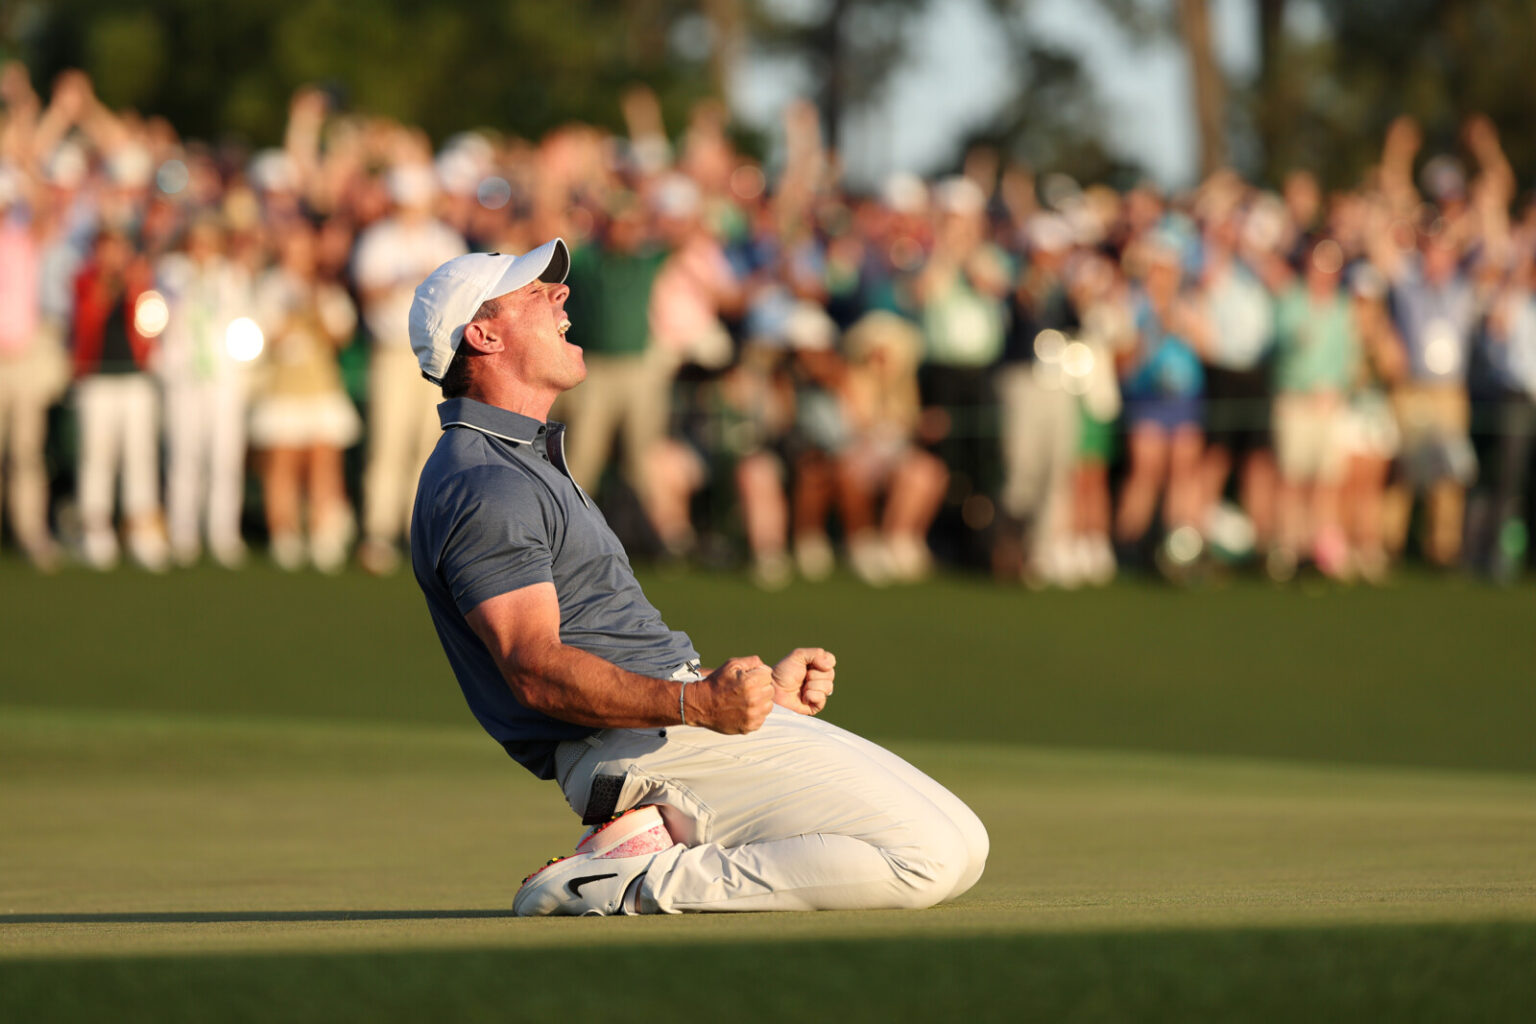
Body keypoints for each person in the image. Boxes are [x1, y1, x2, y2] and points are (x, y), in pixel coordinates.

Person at [407, 240, 987, 916]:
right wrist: (699, 707)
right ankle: (623, 883)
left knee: (966, 843)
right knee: (927, 858)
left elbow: (607, 639)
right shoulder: (485, 480)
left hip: (666, 723)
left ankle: (647, 843)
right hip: (631, 745)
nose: (562, 296)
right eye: (535, 292)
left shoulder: (515, 458)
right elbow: (533, 670)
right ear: (482, 333)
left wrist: (753, 695)